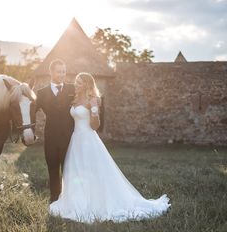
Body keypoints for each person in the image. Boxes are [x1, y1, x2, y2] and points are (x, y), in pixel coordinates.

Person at [49, 72, 171, 223]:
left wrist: (94, 110)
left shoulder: (92, 100)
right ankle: (78, 201)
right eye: (76, 82)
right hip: (76, 141)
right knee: (76, 172)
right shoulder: (75, 99)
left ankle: (96, 203)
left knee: (93, 172)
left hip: (88, 140)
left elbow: (95, 126)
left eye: (80, 82)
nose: (76, 84)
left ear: (87, 84)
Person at [35, 59, 75, 202]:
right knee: (52, 168)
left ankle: (69, 199)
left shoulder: (73, 89)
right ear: (51, 72)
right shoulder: (41, 93)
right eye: (59, 71)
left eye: (64, 71)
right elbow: (31, 112)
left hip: (70, 137)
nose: (62, 74)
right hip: (50, 136)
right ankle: (54, 199)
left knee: (68, 169)